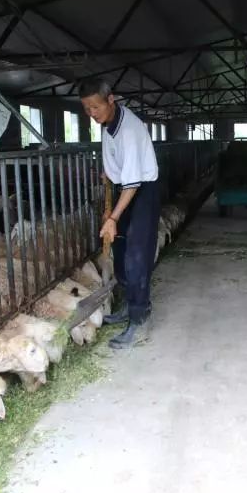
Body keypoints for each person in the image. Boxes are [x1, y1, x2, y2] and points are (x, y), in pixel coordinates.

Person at [79, 78, 160, 349]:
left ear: (111, 100)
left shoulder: (129, 129)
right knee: (122, 252)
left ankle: (140, 319)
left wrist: (113, 217)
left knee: (137, 255)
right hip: (124, 188)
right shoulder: (107, 125)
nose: (92, 114)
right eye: (87, 109)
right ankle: (129, 305)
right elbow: (118, 167)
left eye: (96, 107)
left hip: (142, 192)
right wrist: (109, 174)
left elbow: (134, 183)